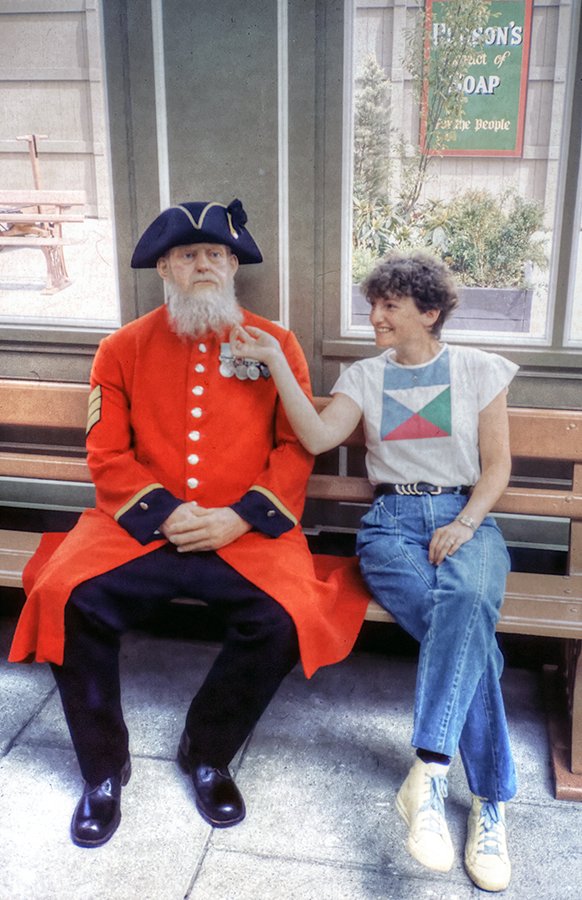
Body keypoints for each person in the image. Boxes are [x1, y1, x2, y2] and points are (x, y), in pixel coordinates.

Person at [8, 199, 369, 848]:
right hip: (139, 526)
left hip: (244, 529)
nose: (204, 264)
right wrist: (165, 512)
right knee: (67, 597)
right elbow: (105, 453)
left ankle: (208, 752)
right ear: (164, 269)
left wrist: (241, 517)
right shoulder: (121, 349)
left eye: (216, 255)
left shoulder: (275, 344)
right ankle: (102, 770)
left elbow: (296, 448)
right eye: (188, 255)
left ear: (233, 266)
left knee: (284, 619)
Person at [230, 250, 518, 893]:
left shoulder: (479, 369)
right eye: (374, 305)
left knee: (466, 607)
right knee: (471, 635)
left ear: (430, 313)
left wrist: (466, 523)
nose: (376, 317)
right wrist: (276, 363)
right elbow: (316, 437)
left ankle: (431, 773)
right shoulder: (364, 376)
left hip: (465, 519)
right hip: (390, 527)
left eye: (391, 306)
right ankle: (490, 801)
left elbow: (497, 466)